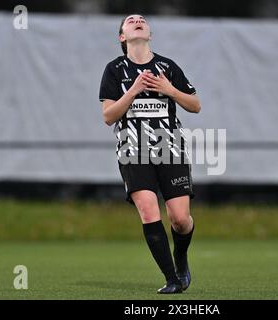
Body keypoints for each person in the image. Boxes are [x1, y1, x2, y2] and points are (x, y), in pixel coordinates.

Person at [99, 14, 201, 294]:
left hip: (170, 147)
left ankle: (180, 258)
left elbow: (195, 105)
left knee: (180, 219)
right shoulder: (114, 70)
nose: (137, 21)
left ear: (150, 34)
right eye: (130, 21)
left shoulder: (167, 66)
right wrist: (132, 91)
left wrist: (169, 89)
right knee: (148, 209)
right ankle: (172, 279)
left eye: (142, 20)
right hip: (133, 149)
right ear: (122, 37)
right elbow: (108, 116)